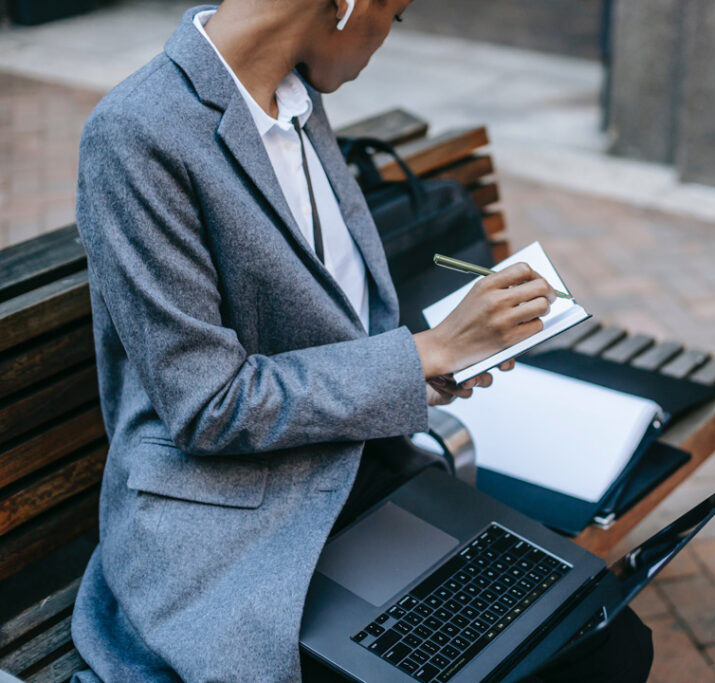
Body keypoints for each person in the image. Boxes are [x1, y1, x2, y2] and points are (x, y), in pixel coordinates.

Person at [70, 1, 652, 681]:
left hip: (354, 476)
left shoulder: (295, 98)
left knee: (600, 630)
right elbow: (208, 404)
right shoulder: (136, 134)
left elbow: (333, 326)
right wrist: (423, 352)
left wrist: (424, 373)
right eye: (396, 15)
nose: (385, 39)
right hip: (233, 533)